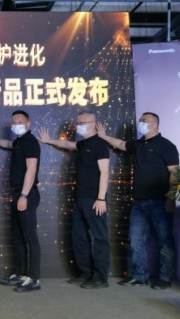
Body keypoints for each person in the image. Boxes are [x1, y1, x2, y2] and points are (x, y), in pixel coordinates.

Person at [96, 112, 178, 290]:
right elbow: (121, 144)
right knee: (135, 241)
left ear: (154, 124)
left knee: (164, 241)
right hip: (138, 203)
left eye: (144, 121)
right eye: (140, 120)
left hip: (160, 202)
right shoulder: (139, 144)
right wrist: (103, 136)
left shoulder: (167, 146)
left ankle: (165, 278)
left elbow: (174, 172)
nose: (140, 123)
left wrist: (171, 198)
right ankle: (139, 276)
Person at [38, 110, 110, 289]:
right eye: (78, 123)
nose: (79, 126)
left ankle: (100, 278)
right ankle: (86, 273)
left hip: (94, 199)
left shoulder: (100, 145)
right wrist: (49, 140)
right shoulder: (83, 144)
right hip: (79, 198)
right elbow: (67, 144)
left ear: (93, 124)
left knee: (99, 238)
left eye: (82, 123)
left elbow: (104, 172)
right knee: (79, 237)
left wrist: (101, 198)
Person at [0, 110, 41, 292]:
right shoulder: (19, 141)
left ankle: (34, 279)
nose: (16, 125)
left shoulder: (30, 142)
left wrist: (24, 195)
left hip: (26, 195)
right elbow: (8, 144)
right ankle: (21, 274)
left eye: (20, 122)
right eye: (14, 122)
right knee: (18, 236)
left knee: (30, 237)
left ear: (28, 124)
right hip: (17, 195)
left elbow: (31, 170)